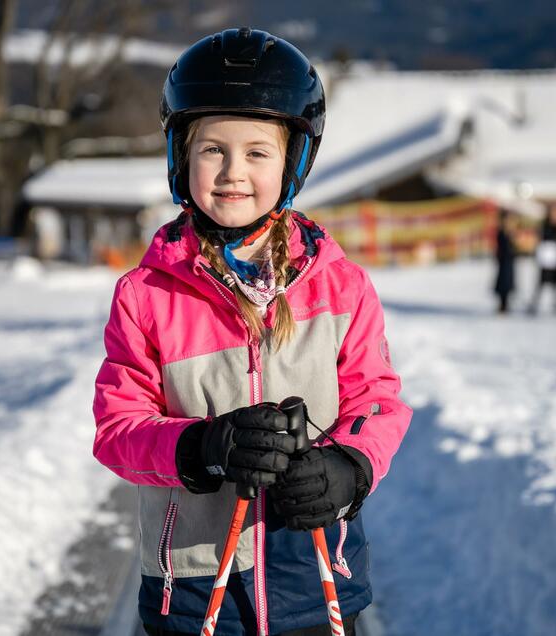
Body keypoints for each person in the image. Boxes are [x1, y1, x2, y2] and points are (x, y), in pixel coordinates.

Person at [92, 28, 412, 636]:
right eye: (213, 149)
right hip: (193, 586)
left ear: (291, 163)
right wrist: (201, 447)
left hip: (315, 577)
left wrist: (349, 467)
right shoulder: (147, 296)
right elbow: (118, 430)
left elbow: (377, 403)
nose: (232, 172)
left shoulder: (342, 289)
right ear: (180, 156)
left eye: (258, 153)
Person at [527, 204, 556, 315]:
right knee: (541, 283)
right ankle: (534, 305)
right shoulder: (545, 226)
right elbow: (541, 240)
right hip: (545, 260)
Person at [493, 209, 517, 314]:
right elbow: (503, 248)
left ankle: (506, 304)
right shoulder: (501, 233)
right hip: (503, 262)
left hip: (510, 262)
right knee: (503, 284)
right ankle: (502, 305)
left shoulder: (512, 233)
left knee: (508, 284)